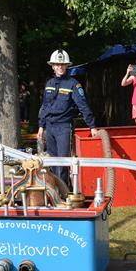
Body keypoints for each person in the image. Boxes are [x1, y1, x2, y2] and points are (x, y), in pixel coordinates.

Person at [37, 49, 99, 184]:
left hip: (64, 127)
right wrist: (41, 126)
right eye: (57, 65)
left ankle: (65, 191)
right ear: (52, 66)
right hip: (49, 126)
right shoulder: (49, 84)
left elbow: (83, 105)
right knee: (52, 161)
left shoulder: (73, 84)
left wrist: (92, 126)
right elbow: (45, 106)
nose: (60, 67)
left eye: (62, 64)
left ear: (67, 66)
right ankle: (55, 191)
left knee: (63, 161)